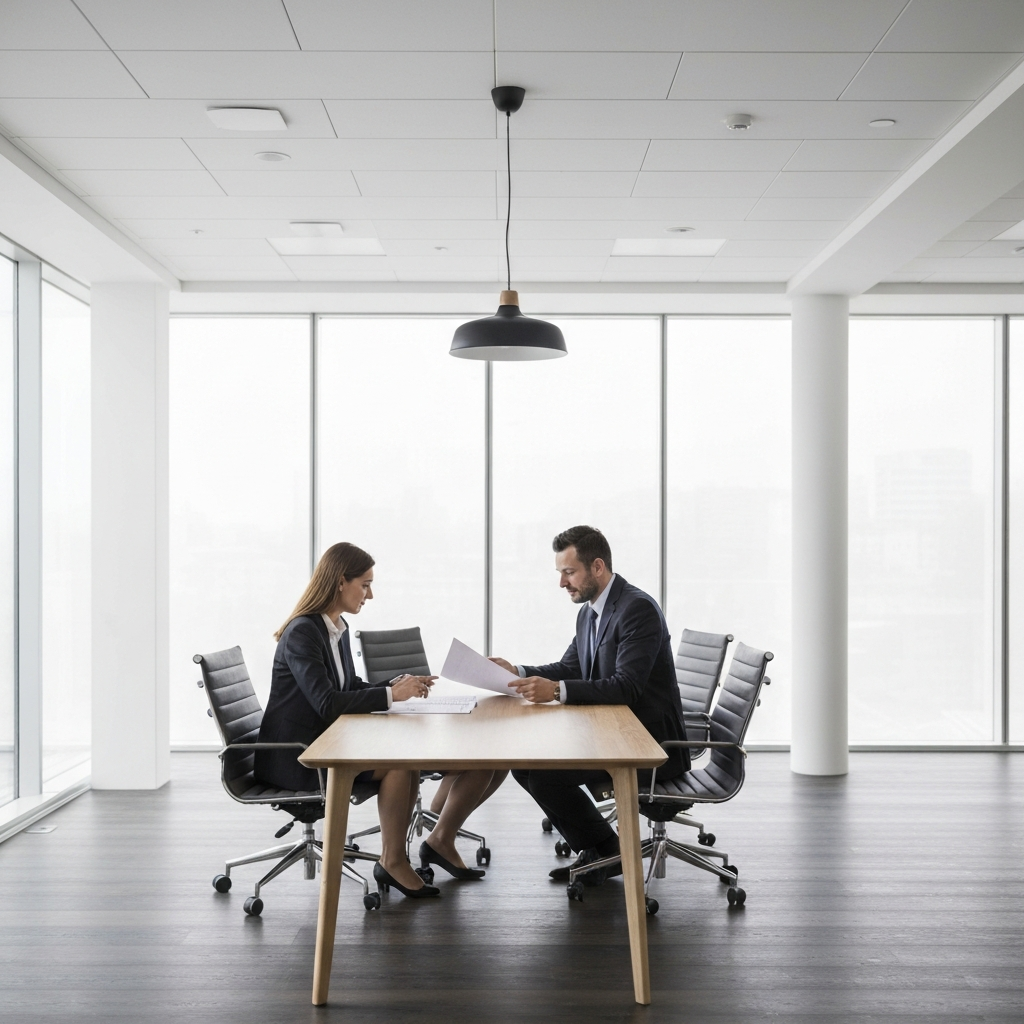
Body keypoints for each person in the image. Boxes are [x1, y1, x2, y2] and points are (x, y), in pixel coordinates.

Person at [490, 525, 688, 887]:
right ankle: (600, 850)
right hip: (611, 732)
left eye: (569, 572)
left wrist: (555, 692)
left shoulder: (636, 609)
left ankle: (606, 850)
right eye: (560, 574)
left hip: (647, 744)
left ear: (597, 567)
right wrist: (517, 671)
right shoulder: (590, 612)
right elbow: (569, 668)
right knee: (524, 765)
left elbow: (626, 687)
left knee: (546, 775)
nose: (562, 583)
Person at [254, 542, 440, 900]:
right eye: (365, 584)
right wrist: (389, 697)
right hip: (297, 758)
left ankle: (393, 858)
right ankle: (393, 861)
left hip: (324, 743)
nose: (370, 594)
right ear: (341, 582)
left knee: (406, 761)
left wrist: (394, 686)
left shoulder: (336, 627)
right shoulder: (303, 633)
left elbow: (348, 686)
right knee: (400, 765)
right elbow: (326, 703)